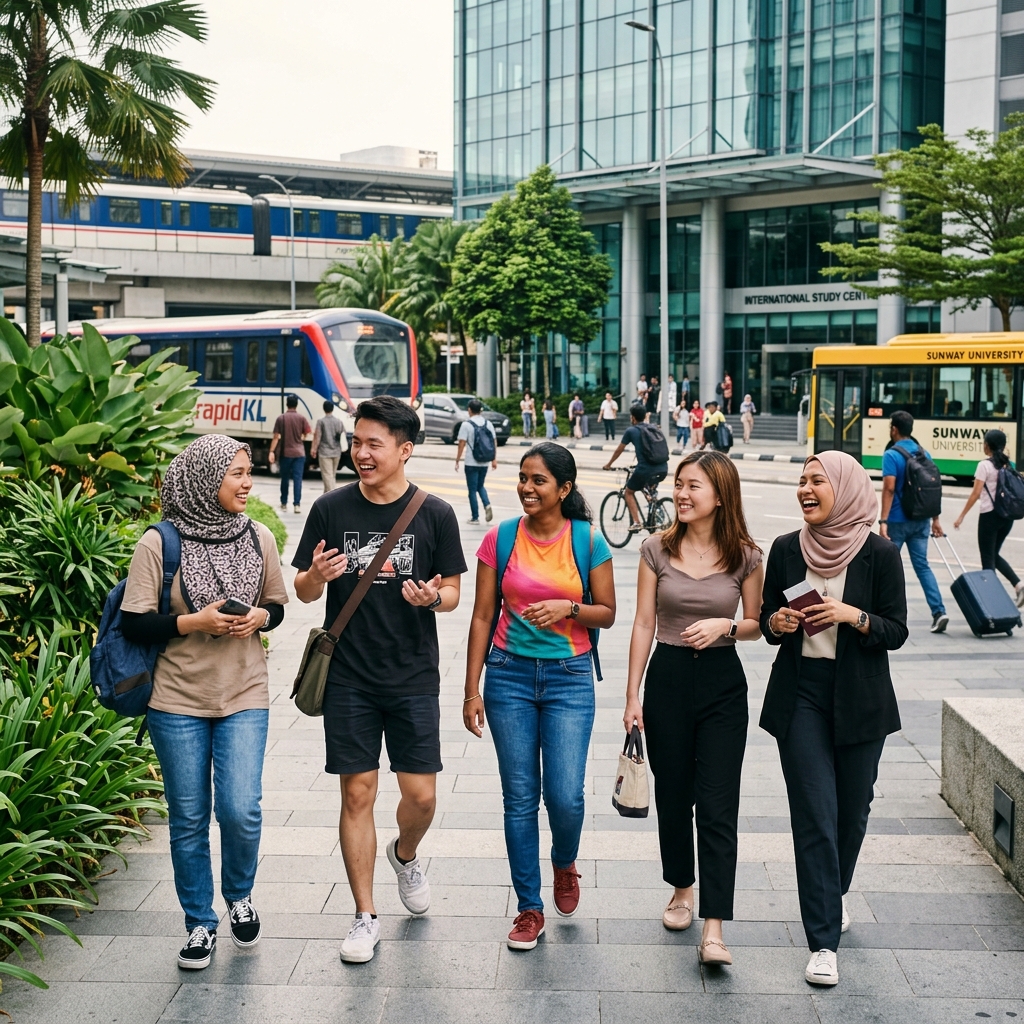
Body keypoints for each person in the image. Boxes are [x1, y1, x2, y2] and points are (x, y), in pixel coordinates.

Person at [292, 395, 468, 965]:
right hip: (349, 675)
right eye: (356, 442)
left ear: (404, 449)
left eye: (374, 444)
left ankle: (405, 854)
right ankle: (365, 915)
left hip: (412, 675)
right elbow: (303, 591)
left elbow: (453, 592)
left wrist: (432, 598)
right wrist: (317, 576)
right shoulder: (330, 509)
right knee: (357, 793)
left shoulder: (435, 514)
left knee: (421, 796)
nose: (360, 453)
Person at [120, 434, 288, 970]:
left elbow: (277, 605)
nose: (247, 483)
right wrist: (196, 621)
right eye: (236, 473)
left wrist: (260, 617)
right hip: (176, 699)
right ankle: (199, 922)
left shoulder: (258, 535)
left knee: (241, 809)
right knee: (189, 817)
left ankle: (239, 894)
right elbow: (135, 622)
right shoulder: (158, 543)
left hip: (244, 692)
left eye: (248, 472)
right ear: (203, 480)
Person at [760, 451, 908, 988]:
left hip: (861, 699)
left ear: (843, 489)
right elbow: (767, 620)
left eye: (817, 480)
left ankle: (833, 891)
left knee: (852, 812)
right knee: (815, 815)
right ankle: (823, 942)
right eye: (801, 480)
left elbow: (897, 629)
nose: (805, 489)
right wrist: (777, 622)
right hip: (801, 694)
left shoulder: (879, 553)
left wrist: (854, 616)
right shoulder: (785, 549)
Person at [464, 444, 616, 951]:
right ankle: (529, 907)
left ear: (564, 489)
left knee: (566, 796)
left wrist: (568, 607)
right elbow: (482, 615)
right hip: (508, 677)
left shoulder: (587, 540)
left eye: (539, 480)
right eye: (523, 478)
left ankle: (564, 862)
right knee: (520, 797)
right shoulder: (501, 538)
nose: (527, 488)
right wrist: (470, 689)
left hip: (569, 678)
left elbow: (607, 612)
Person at [624, 451, 763, 967]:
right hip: (668, 679)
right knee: (675, 796)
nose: (681, 494)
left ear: (720, 496)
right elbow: (643, 622)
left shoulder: (747, 555)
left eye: (693, 486)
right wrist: (632, 694)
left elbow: (757, 623)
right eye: (679, 484)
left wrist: (727, 626)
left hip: (724, 684)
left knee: (719, 804)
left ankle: (715, 926)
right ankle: (682, 887)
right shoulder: (655, 548)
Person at [879, 411, 949, 633]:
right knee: (922, 566)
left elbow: (889, 488)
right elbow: (932, 487)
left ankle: (881, 612)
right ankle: (939, 611)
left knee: (884, 568)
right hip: (921, 519)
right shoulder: (924, 453)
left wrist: (883, 520)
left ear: (894, 429)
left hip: (897, 521)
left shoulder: (891, 455)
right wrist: (935, 519)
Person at [953, 428, 1024, 607]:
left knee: (987, 560)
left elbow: (976, 493)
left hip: (989, 517)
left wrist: (961, 516)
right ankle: (1019, 585)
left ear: (987, 445)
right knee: (993, 554)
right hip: (1007, 517)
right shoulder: (1008, 464)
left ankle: (994, 604)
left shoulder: (984, 465)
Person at [602, 403, 669, 532]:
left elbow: (619, 450)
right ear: (644, 416)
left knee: (629, 492)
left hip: (646, 469)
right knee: (649, 490)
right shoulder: (653, 428)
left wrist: (609, 464)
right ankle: (655, 512)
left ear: (632, 417)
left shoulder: (631, 431)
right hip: (663, 468)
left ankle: (637, 523)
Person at [455, 397, 498, 525]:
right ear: (481, 410)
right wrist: (494, 459)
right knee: (480, 486)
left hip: (471, 462)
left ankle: (475, 517)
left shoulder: (466, 425)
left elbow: (461, 444)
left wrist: (457, 460)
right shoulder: (488, 424)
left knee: (472, 490)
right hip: (484, 461)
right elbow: (493, 442)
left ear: (469, 410)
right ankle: (487, 504)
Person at [269, 395, 312, 513]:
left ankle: (284, 503)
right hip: (299, 453)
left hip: (285, 453)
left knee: (285, 479)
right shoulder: (301, 418)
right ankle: (297, 505)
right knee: (298, 480)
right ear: (296, 404)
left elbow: (276, 437)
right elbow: (307, 432)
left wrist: (271, 451)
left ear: (286, 404)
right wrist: (301, 438)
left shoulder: (281, 418)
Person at [311, 400, 348, 493]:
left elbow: (318, 437)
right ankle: (326, 497)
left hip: (325, 452)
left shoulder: (321, 422)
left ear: (324, 409)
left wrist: (314, 449)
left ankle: (333, 497)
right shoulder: (338, 421)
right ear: (333, 408)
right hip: (337, 452)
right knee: (332, 476)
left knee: (328, 476)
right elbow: (343, 434)